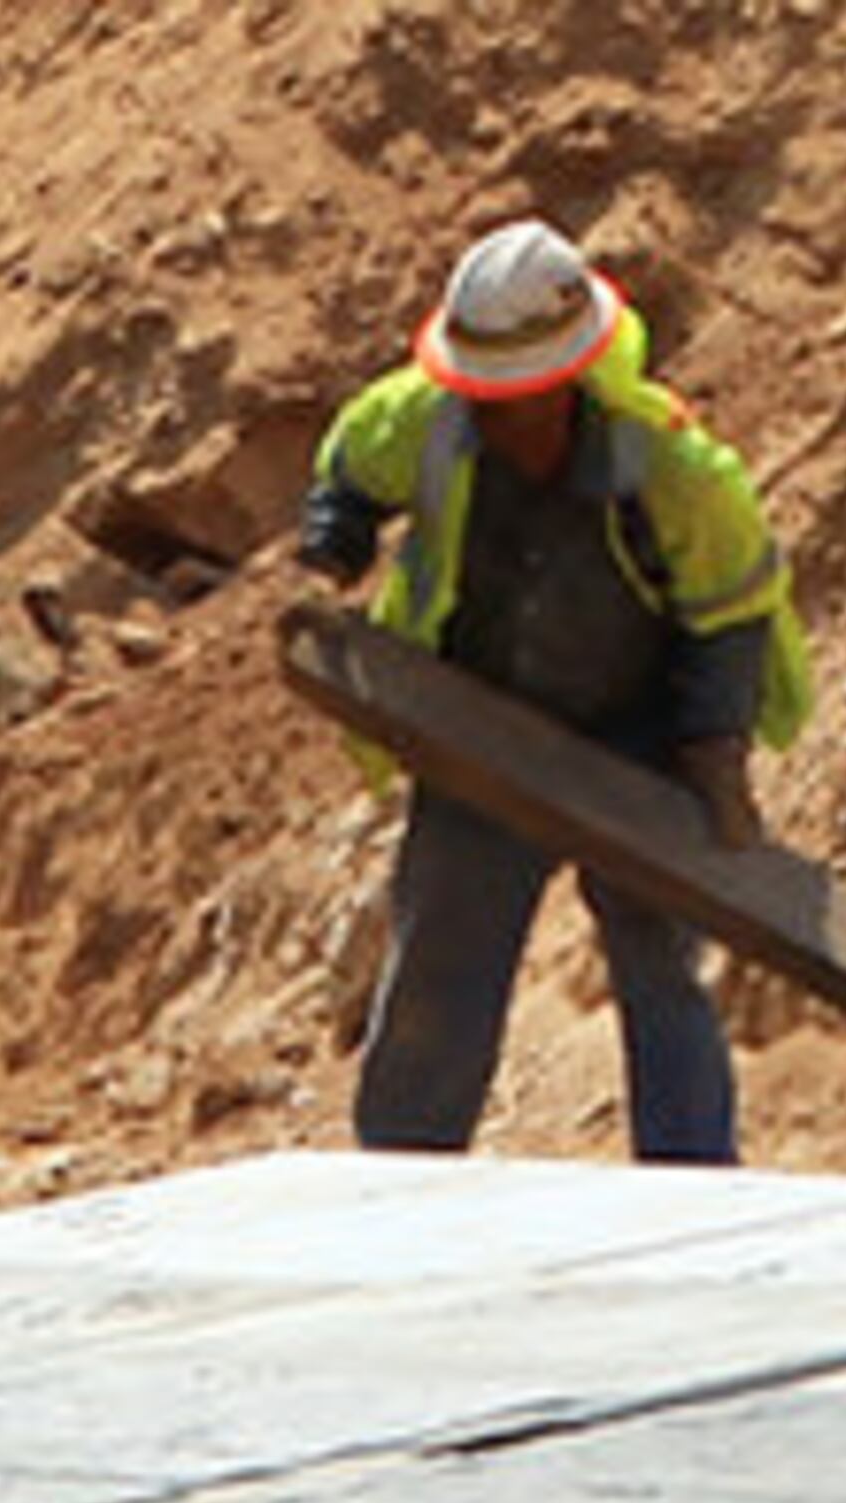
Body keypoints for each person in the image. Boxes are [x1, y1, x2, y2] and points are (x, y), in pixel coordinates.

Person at [297, 219, 814, 1164]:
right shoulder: (429, 417)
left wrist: (714, 752)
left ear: (564, 380)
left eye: (512, 398)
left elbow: (731, 609)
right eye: (479, 394)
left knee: (660, 970)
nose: (490, 414)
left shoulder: (670, 466)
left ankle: (692, 1178)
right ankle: (402, 1181)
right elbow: (351, 459)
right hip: (478, 732)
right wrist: (338, 529)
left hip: (636, 741)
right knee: (439, 969)